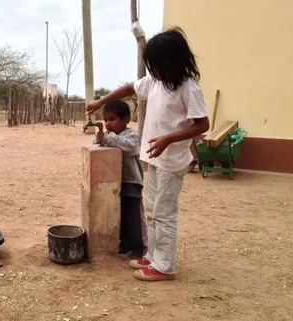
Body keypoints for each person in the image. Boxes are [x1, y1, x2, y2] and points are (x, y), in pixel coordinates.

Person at [86, 27, 210, 281]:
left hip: (171, 161)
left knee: (164, 213)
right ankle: (153, 255)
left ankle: (165, 266)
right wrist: (101, 101)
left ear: (171, 62)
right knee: (152, 209)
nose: (152, 70)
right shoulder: (155, 82)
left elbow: (202, 124)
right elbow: (129, 88)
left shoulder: (188, 89)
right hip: (153, 158)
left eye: (156, 64)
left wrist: (169, 139)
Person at [95, 100, 146, 259]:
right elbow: (98, 146)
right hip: (115, 183)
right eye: (106, 120)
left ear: (125, 120)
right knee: (120, 215)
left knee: (134, 217)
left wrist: (107, 138)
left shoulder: (131, 135)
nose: (108, 123)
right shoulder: (109, 136)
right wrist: (100, 138)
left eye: (112, 119)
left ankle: (139, 248)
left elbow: (130, 147)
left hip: (131, 182)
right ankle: (124, 244)